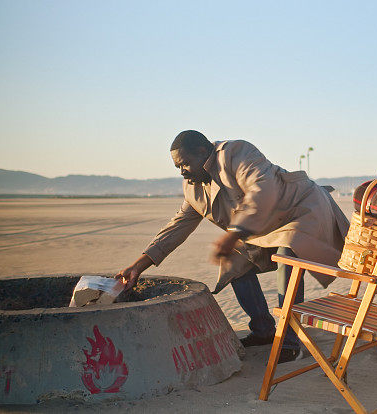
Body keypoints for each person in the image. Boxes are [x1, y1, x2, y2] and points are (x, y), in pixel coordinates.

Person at [118, 130, 349, 363]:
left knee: (287, 256)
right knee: (233, 261)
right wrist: (139, 265)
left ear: (202, 151)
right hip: (262, 225)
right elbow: (176, 228)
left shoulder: (235, 153)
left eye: (185, 164)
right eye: (178, 167)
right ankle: (263, 330)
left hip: (301, 209)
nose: (181, 171)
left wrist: (234, 235)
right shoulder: (193, 189)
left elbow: (262, 188)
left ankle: (290, 341)